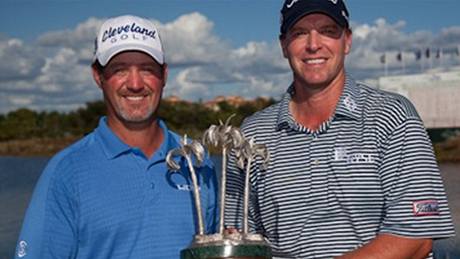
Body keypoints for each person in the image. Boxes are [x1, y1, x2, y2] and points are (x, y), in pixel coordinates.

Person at [225, 1, 455, 258]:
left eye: (328, 31)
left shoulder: (392, 117)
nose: (313, 44)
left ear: (347, 41)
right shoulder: (251, 133)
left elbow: (415, 237)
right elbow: (238, 238)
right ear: (283, 45)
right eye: (300, 33)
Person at [14, 15, 218, 259]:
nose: (134, 84)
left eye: (147, 69)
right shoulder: (66, 171)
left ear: (164, 75)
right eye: (119, 69)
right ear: (98, 76)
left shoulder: (197, 161)